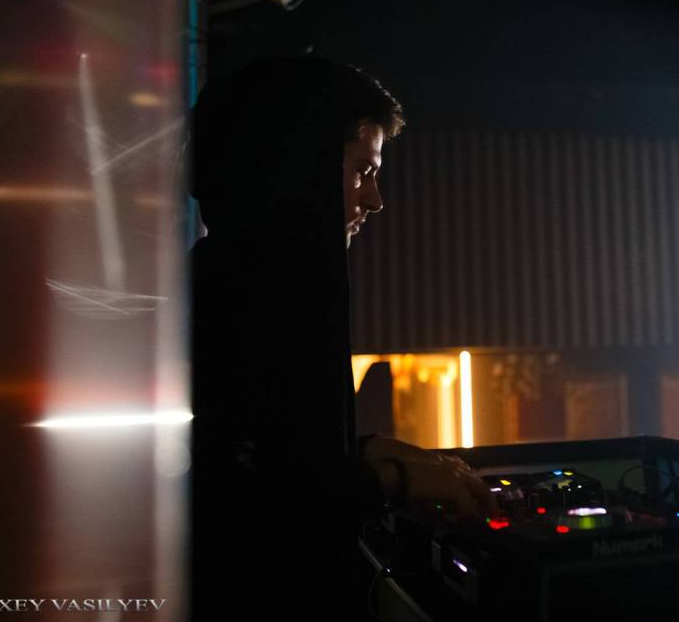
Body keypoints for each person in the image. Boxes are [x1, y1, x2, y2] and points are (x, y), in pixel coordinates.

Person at [189, 57, 493, 618]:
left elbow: (271, 447)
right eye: (361, 171)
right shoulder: (252, 296)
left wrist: (364, 452)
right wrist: (390, 479)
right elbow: (251, 498)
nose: (374, 200)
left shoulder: (224, 280)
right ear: (296, 167)